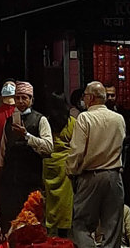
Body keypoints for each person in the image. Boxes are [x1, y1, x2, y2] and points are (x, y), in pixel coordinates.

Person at [67, 81, 126, 248]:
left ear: (90, 98)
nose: (83, 99)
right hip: (115, 176)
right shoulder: (119, 119)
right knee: (113, 227)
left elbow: (77, 150)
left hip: (90, 176)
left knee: (81, 225)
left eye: (85, 96)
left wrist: (70, 170)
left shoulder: (85, 117)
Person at [0, 81, 53, 232]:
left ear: (31, 100)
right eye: (18, 98)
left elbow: (49, 147)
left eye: (24, 98)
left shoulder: (40, 120)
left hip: (31, 182)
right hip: (11, 183)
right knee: (11, 224)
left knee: (32, 224)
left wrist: (27, 136)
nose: (21, 101)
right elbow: (3, 150)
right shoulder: (9, 121)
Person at [43, 92, 77, 237]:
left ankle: (49, 236)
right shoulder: (72, 123)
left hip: (47, 163)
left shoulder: (45, 122)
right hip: (65, 167)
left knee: (49, 203)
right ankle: (63, 238)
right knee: (64, 205)